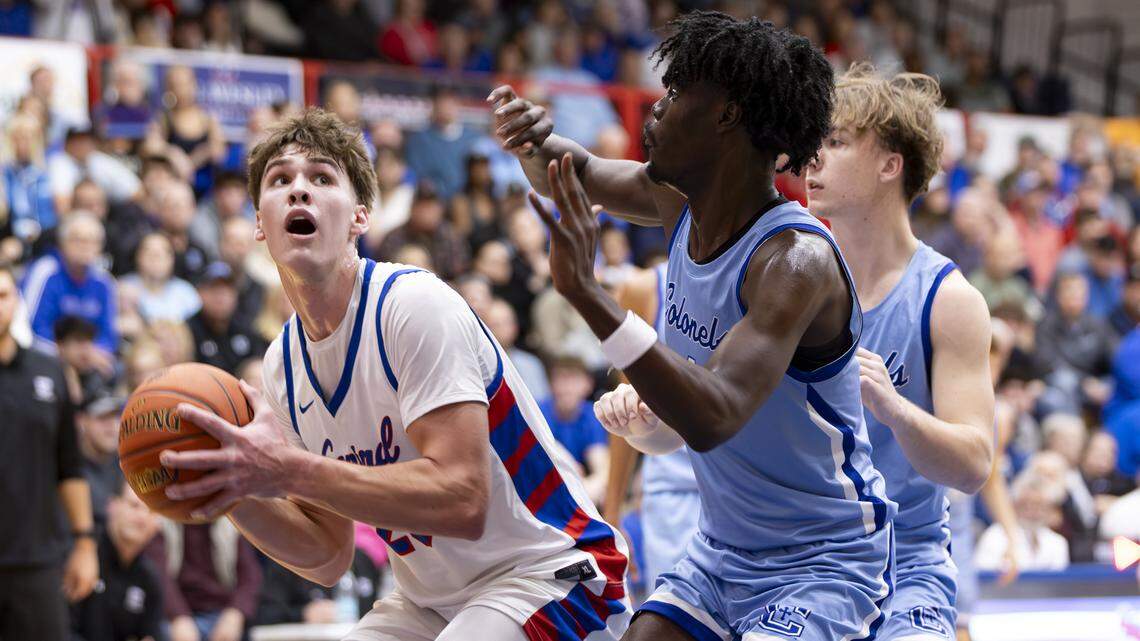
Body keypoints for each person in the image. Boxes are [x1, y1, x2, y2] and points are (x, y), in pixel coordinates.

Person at [492, 11, 895, 640]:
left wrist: (590, 295)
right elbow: (576, 174)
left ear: (726, 116)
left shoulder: (793, 261)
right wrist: (531, 140)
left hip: (825, 564)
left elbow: (714, 416)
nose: (655, 109)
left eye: (677, 94)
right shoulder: (674, 201)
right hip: (722, 553)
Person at [159, 109, 631, 641]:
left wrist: (288, 470)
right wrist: (237, 485)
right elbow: (328, 556)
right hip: (430, 604)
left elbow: (463, 499)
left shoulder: (412, 304)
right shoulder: (282, 366)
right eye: (280, 180)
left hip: (550, 572)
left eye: (321, 177)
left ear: (360, 217)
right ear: (259, 226)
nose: (298, 191)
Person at [805, 64, 996, 639]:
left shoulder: (949, 299)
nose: (813, 157)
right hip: (801, 562)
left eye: (835, 142)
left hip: (906, 566)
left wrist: (895, 409)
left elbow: (974, 465)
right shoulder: (787, 275)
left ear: (892, 165)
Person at [0, 264, 98, 641]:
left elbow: (69, 466)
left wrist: (85, 543)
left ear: (17, 301)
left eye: (4, 294)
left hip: (37, 561)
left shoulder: (50, 370)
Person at [601, 262, 700, 592]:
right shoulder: (645, 288)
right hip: (675, 492)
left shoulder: (763, 271)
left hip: (748, 491)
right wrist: (612, 513)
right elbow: (624, 410)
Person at [71, 481, 163, 641]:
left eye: (151, 511)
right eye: (134, 506)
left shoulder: (149, 578)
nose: (142, 517)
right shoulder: (82, 557)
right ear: (112, 506)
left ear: (158, 524)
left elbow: (152, 634)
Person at [22, 212, 119, 354]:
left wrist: (92, 353)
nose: (86, 247)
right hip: (47, 355)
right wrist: (65, 354)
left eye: (94, 241)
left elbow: (108, 335)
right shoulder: (45, 272)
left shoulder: (104, 282)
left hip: (90, 359)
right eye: (79, 240)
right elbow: (31, 326)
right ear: (62, 242)